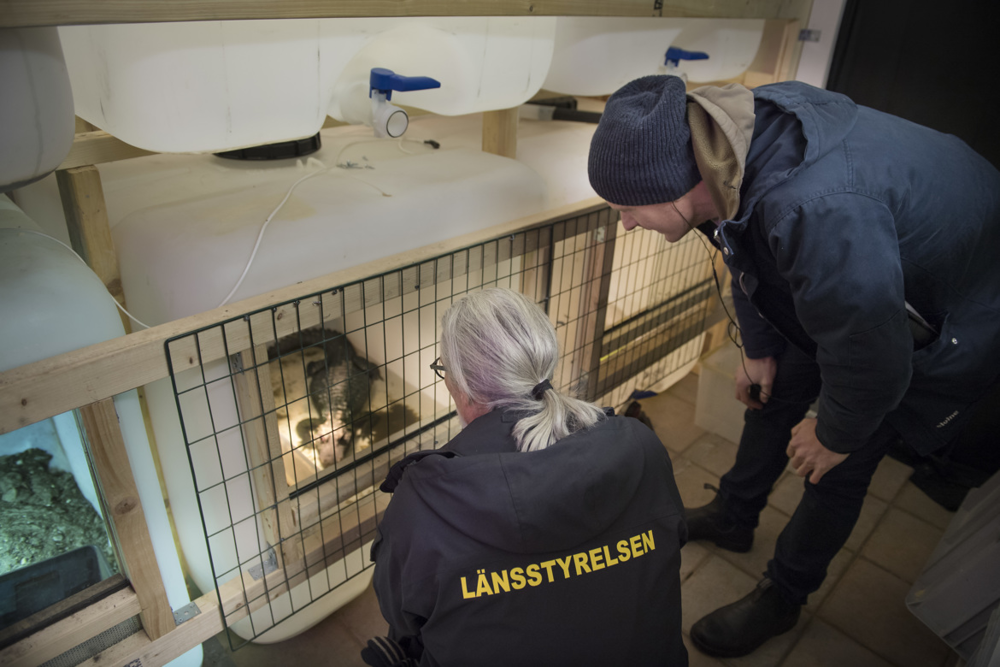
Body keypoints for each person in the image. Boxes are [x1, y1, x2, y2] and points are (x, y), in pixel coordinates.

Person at [587, 74, 1000, 658]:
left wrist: (834, 432)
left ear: (674, 185)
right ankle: (735, 515)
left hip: (947, 308)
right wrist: (756, 347)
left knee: (838, 465)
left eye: (627, 208)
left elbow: (876, 358)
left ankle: (783, 596)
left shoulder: (815, 208)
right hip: (860, 287)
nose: (624, 223)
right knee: (770, 387)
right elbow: (740, 244)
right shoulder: (720, 149)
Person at [365, 287, 689, 667]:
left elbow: (401, 615)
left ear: (461, 384)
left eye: (445, 369)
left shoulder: (423, 502)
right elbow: (673, 540)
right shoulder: (640, 448)